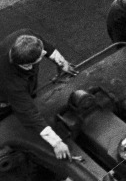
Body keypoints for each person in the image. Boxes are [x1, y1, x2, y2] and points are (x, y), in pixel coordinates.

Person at [0, 30, 78, 160]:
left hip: (24, 89)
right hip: (4, 100)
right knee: (10, 120)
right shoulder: (13, 84)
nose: (44, 52)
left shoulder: (26, 38)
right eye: (41, 55)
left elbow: (45, 47)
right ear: (27, 64)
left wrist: (61, 62)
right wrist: (56, 142)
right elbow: (29, 113)